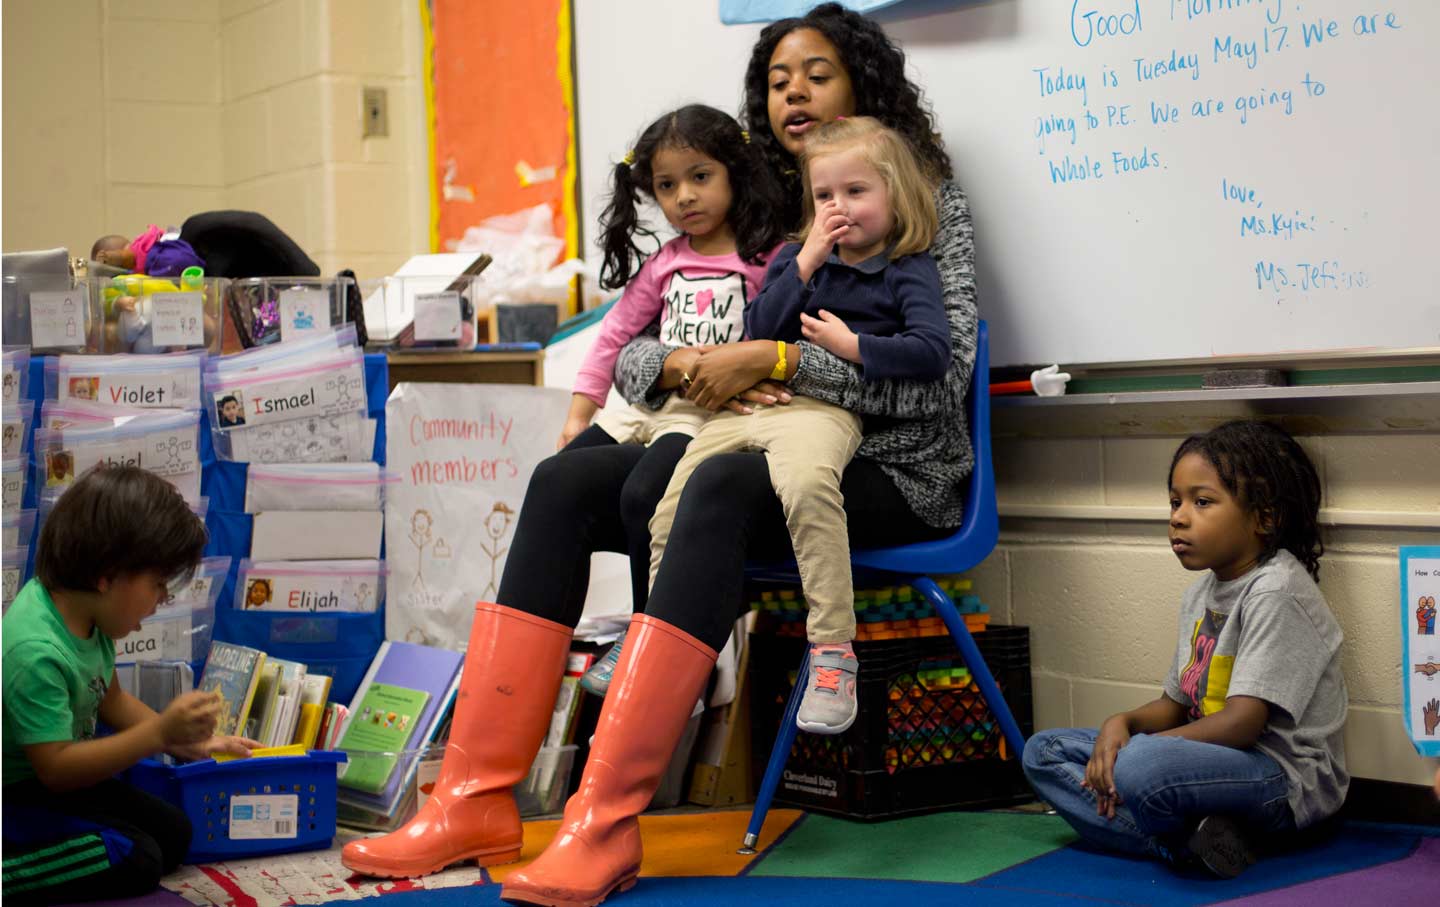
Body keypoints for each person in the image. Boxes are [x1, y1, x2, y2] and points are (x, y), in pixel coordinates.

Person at [342, 7, 978, 905]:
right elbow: (642, 348)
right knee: (563, 482)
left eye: (818, 74)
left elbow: (938, 381)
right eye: (777, 79)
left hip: (886, 463)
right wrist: (688, 362)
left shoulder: (907, 194)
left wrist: (783, 360)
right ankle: (475, 798)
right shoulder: (756, 205)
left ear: (864, 90)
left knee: (715, 483)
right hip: (731, 423)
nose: (793, 92)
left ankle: (602, 825)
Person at [648, 116, 949, 734]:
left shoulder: (907, 267)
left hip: (827, 410)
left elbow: (932, 353)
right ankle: (660, 646)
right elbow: (760, 329)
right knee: (669, 501)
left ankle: (834, 654)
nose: (838, 208)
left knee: (809, 492)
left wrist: (856, 344)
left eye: (856, 192)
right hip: (758, 405)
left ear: (896, 194)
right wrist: (805, 263)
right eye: (823, 197)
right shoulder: (798, 256)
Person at [1022, 420, 1348, 880]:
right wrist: (1123, 723)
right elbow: (1175, 705)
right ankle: (1194, 844)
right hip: (1203, 762)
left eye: (1202, 502)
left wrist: (1138, 753)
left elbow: (1242, 723)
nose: (1178, 516)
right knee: (1044, 752)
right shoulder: (1201, 594)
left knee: (1139, 766)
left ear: (1263, 518)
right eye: (1175, 502)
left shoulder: (1277, 591)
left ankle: (1175, 833)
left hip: (1282, 780)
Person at [562, 104, 785, 696]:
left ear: (734, 171)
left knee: (642, 496)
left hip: (709, 414)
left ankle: (647, 632)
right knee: (559, 476)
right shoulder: (666, 262)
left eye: (700, 176)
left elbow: (781, 336)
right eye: (666, 186)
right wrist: (580, 412)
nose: (684, 196)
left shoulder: (764, 259)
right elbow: (614, 336)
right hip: (649, 404)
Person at [1, 466, 258, 905]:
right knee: (138, 859)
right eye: (158, 584)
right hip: (19, 797)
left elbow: (111, 700)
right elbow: (57, 769)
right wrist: (157, 735)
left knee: (175, 834)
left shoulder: (86, 615)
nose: (163, 599)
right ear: (107, 575)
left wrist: (189, 744)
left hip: (58, 785)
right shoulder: (34, 651)